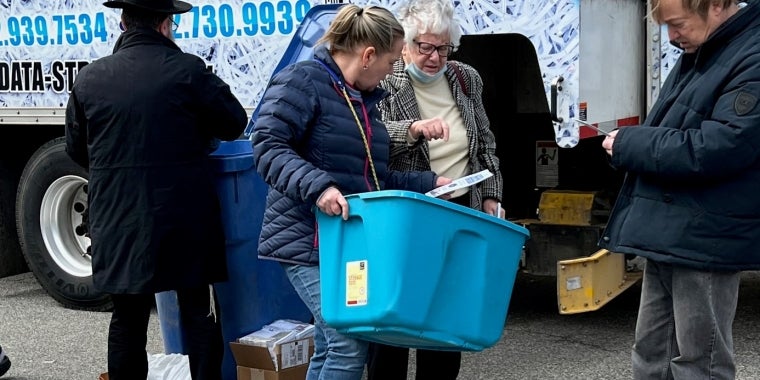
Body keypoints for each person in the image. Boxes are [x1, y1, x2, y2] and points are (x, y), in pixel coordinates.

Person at [250, 4, 451, 380]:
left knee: (330, 345)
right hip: (306, 241)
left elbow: (371, 179)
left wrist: (430, 183)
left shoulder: (362, 100)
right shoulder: (303, 81)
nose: (391, 72)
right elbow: (266, 145)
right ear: (368, 55)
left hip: (343, 242)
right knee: (347, 341)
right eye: (391, 62)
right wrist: (318, 187)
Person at [64, 0, 247, 378]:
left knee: (128, 318)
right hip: (185, 218)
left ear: (122, 23)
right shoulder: (187, 71)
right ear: (165, 25)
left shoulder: (89, 79)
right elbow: (234, 123)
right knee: (197, 311)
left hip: (117, 217)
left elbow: (77, 149)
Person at [598, 0, 760, 379]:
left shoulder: (749, 55)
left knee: (699, 364)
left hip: (706, 236)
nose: (671, 37)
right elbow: (673, 128)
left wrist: (629, 146)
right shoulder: (709, 48)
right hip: (673, 228)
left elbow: (720, 146)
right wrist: (627, 146)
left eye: (678, 24)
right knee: (651, 356)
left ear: (716, 5)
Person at [367, 0, 504, 378]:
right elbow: (370, 141)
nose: (433, 57)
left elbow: (485, 145)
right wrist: (412, 130)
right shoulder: (384, 78)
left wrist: (492, 194)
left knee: (445, 325)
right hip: (405, 217)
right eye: (425, 46)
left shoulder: (465, 78)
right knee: (391, 325)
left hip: (458, 214)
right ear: (406, 45)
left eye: (442, 48)